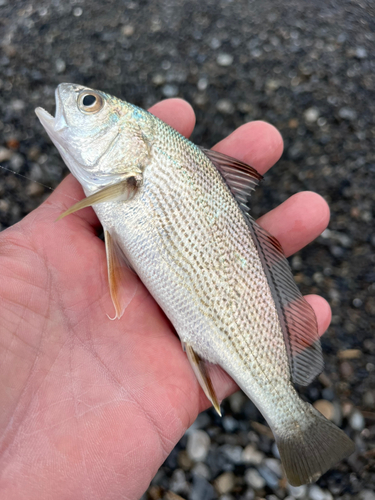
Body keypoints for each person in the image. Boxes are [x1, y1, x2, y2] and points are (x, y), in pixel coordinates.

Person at [0, 98, 331, 499]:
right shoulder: (125, 180)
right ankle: (292, 421)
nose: (75, 101)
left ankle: (290, 418)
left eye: (90, 104)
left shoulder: (128, 180)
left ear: (136, 142)